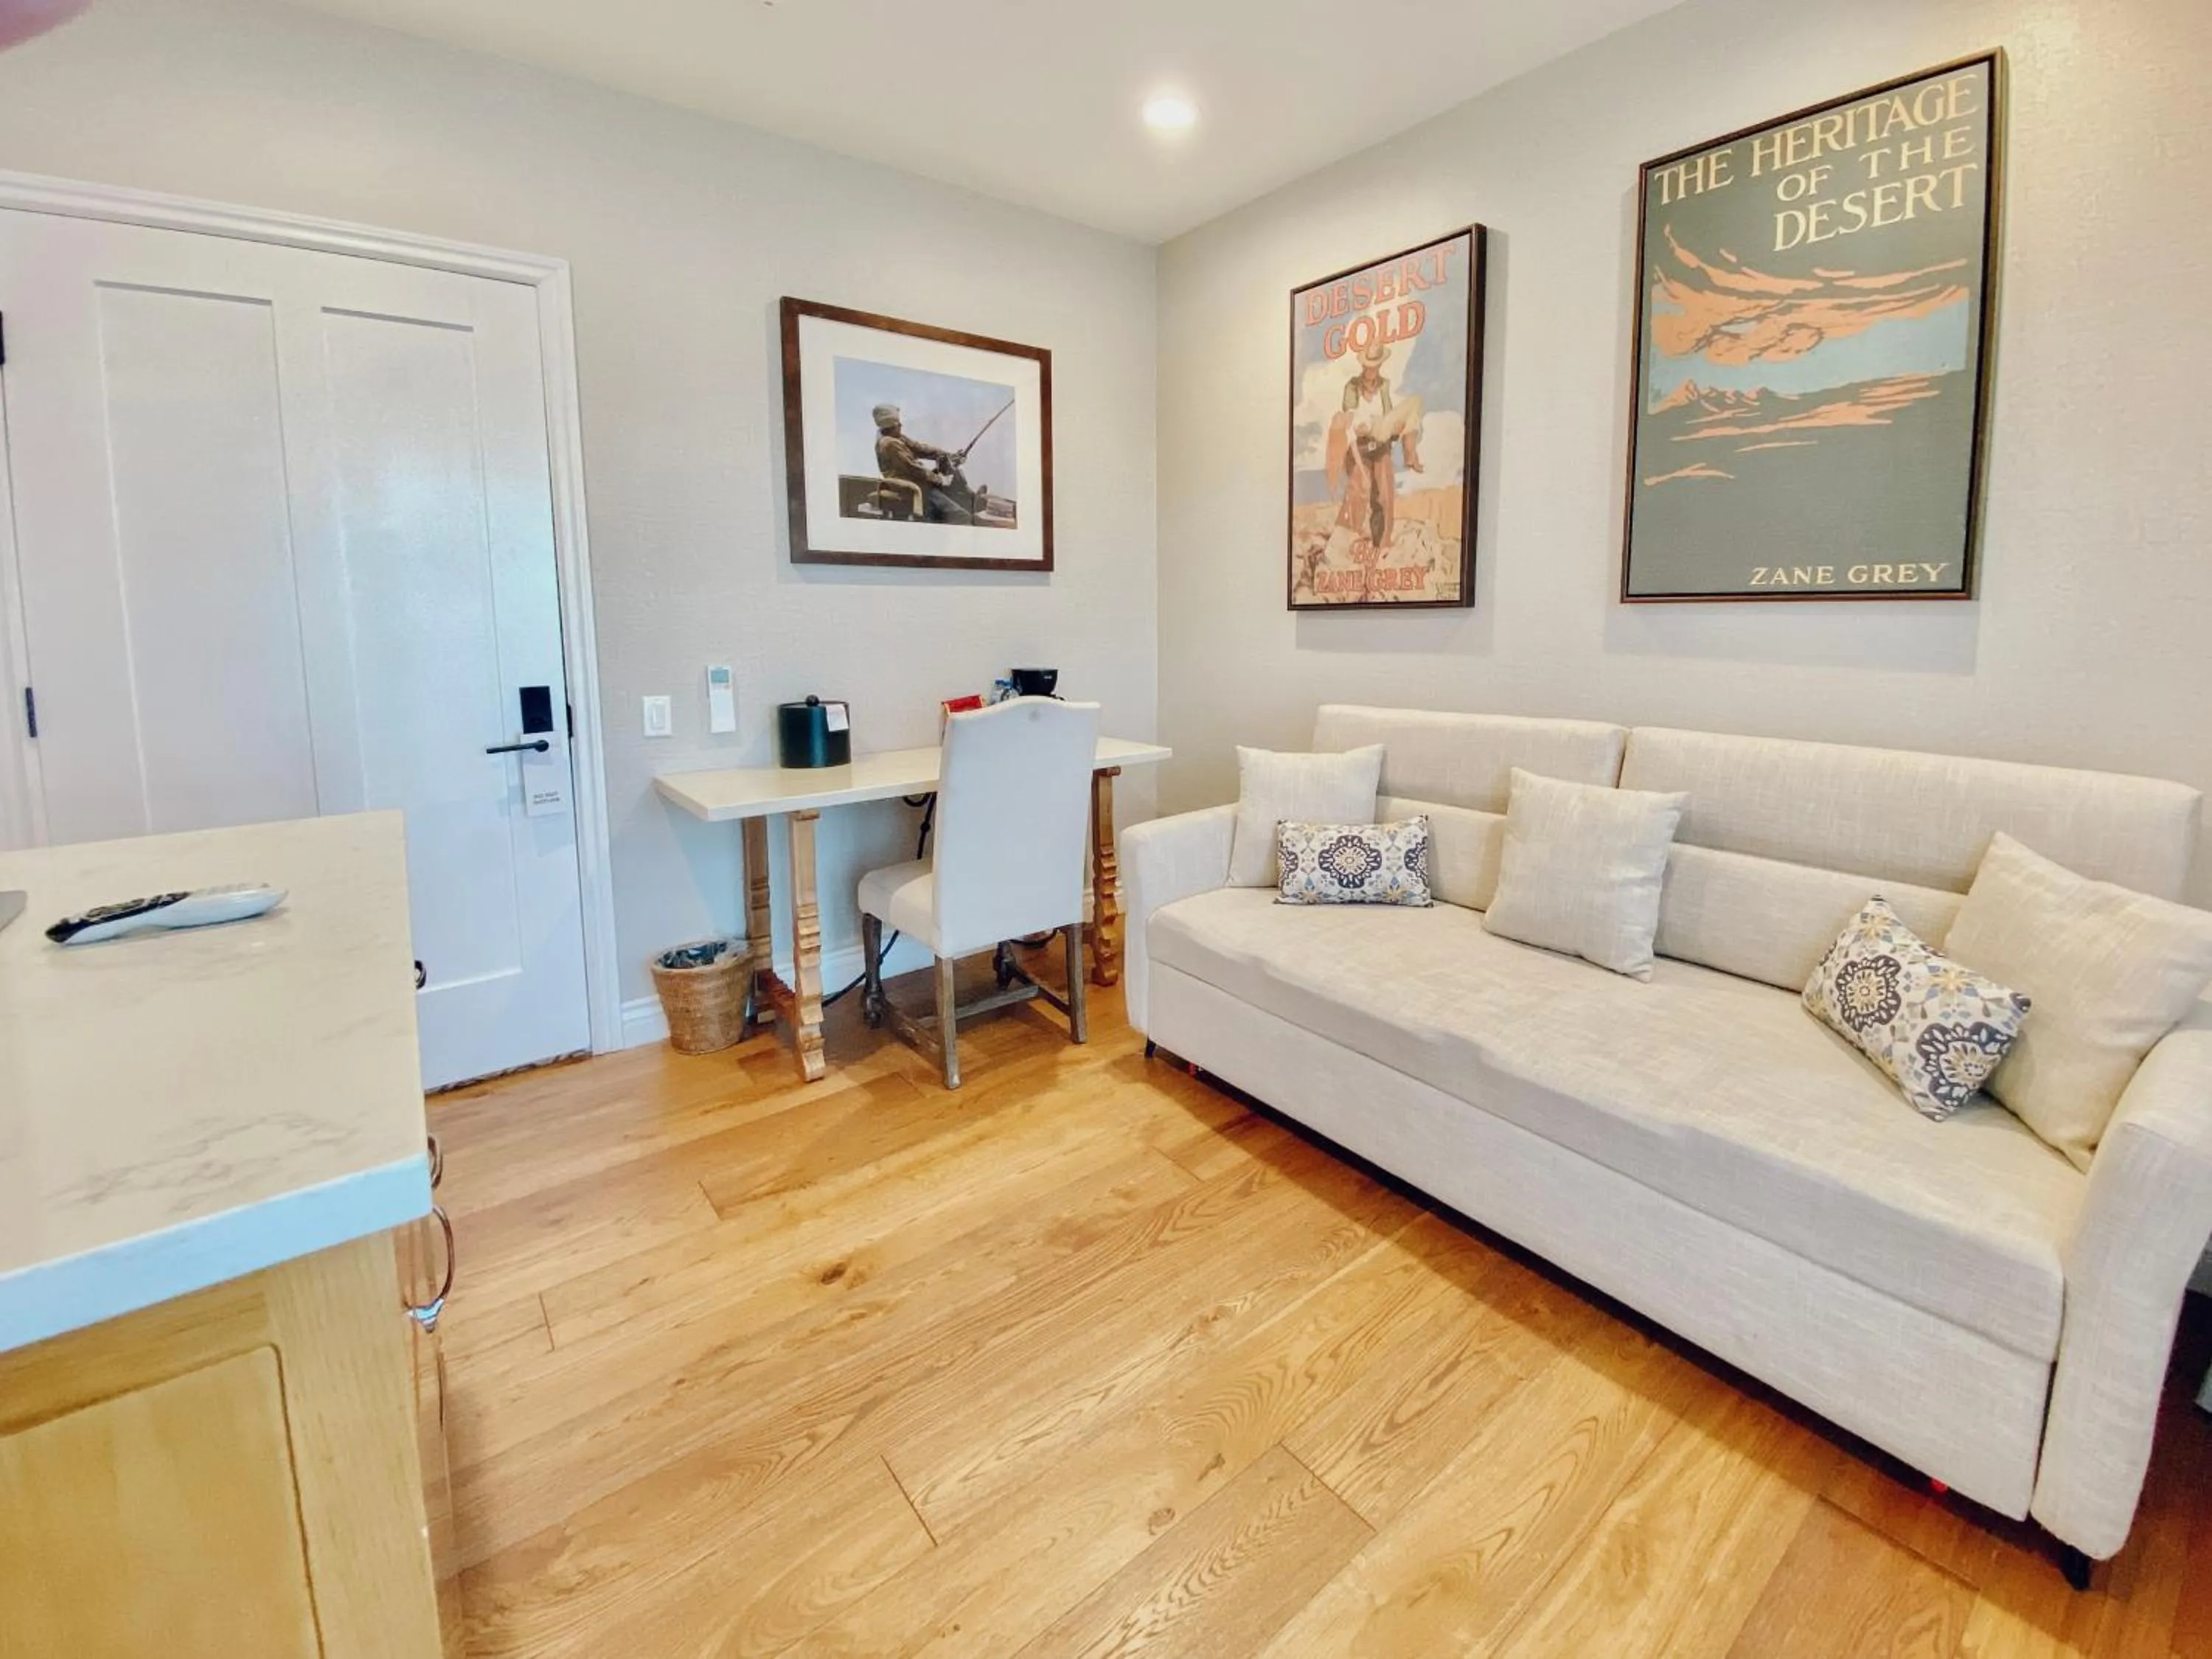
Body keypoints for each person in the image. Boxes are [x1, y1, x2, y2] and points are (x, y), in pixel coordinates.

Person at [1326, 344, 1425, 551]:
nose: (1371, 370)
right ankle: (1345, 542)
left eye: (1375, 365)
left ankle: (1383, 544)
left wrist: (1396, 430)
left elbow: (1388, 414)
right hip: (1361, 443)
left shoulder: (1384, 385)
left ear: (1380, 365)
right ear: (1363, 365)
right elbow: (1349, 427)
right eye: (1368, 365)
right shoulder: (1352, 387)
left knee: (1385, 495)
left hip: (1381, 438)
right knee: (1357, 491)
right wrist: (1359, 464)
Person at [872, 403, 975, 524]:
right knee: (961, 516)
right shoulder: (890, 444)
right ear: (889, 426)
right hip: (913, 487)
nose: (901, 425)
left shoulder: (896, 437)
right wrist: (941, 480)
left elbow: (921, 449)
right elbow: (914, 469)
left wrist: (950, 456)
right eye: (897, 423)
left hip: (917, 480)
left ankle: (972, 497)